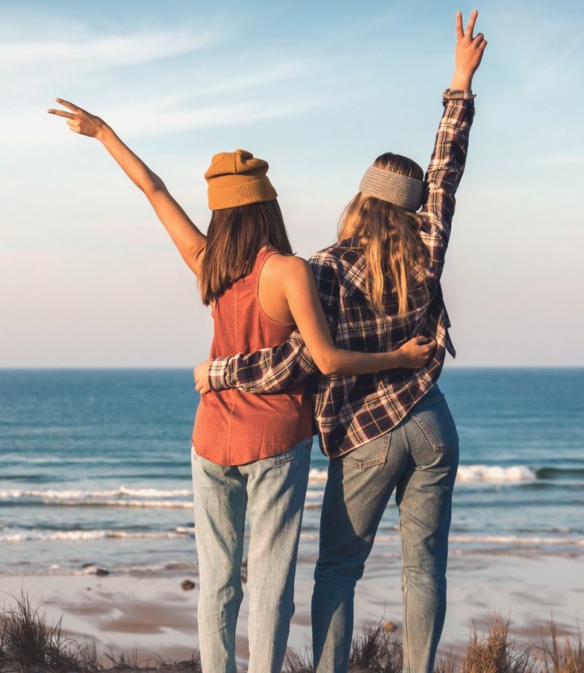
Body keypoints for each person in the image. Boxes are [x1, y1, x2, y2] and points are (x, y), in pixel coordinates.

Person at [47, 100, 434, 673]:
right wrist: (398, 355)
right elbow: (325, 360)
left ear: (222, 212)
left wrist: (103, 132)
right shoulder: (288, 270)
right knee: (271, 582)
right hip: (276, 440)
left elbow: (154, 191)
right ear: (269, 206)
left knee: (217, 581)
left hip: (210, 439)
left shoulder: (206, 261)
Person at [197, 10, 487, 673]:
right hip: (433, 421)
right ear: (410, 209)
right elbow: (446, 170)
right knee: (424, 567)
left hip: (367, 436)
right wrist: (460, 82)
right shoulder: (428, 248)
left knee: (338, 571)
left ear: (361, 201)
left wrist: (223, 373)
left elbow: (300, 360)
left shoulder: (323, 268)